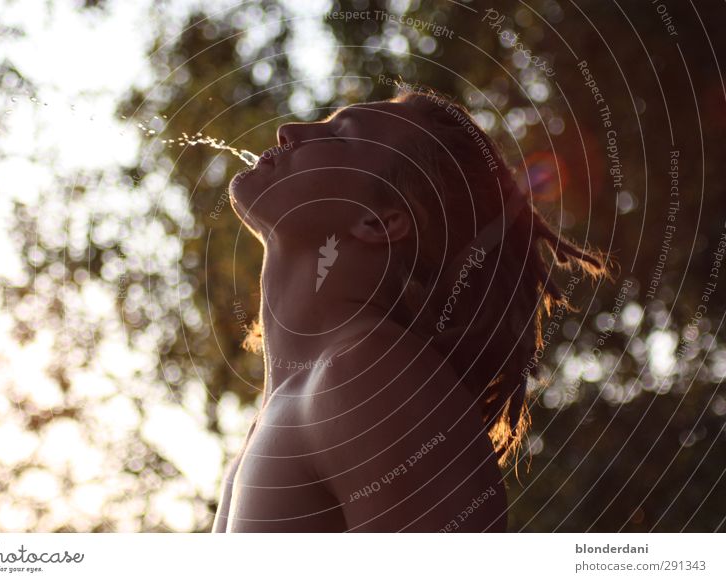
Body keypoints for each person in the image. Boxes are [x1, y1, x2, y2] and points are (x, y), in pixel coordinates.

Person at [211, 88, 609, 532]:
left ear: (378, 221)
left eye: (340, 138)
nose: (289, 132)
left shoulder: (368, 378)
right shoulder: (297, 401)